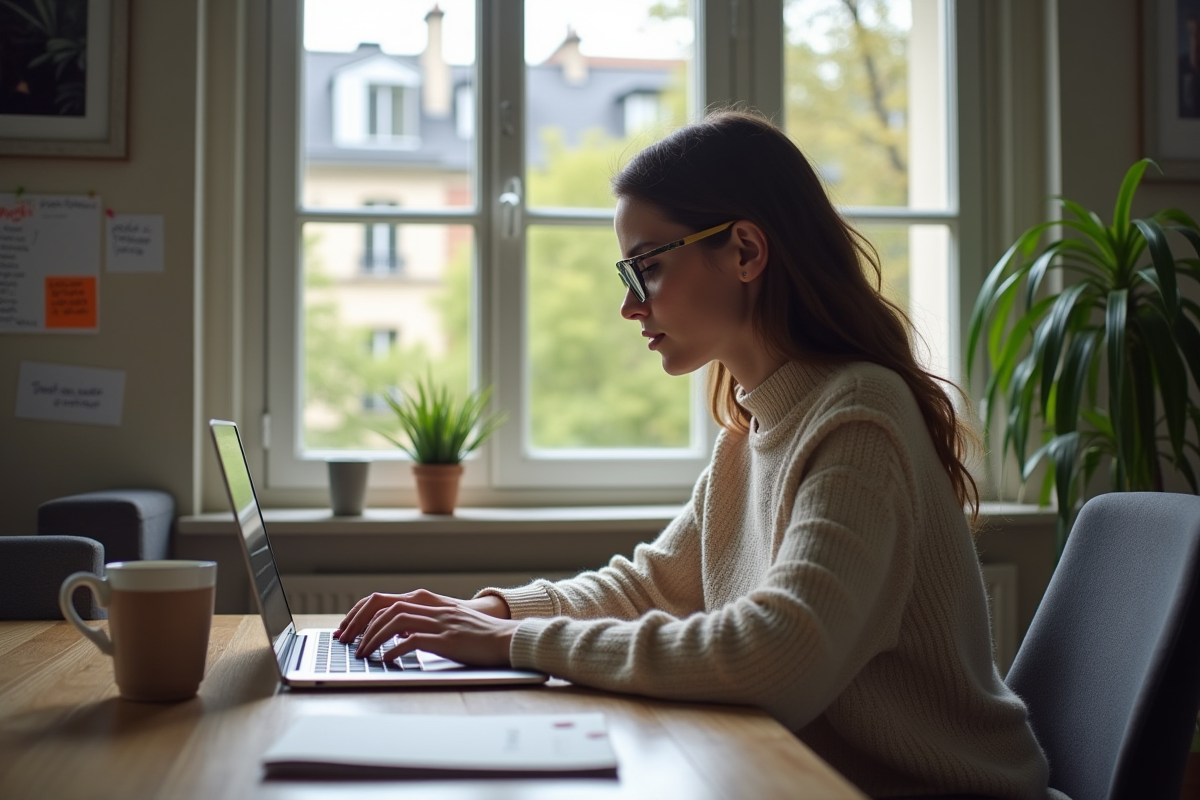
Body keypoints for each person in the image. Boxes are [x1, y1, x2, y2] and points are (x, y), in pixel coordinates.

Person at [335, 109, 1055, 799]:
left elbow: (777, 656)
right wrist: (489, 612)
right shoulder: (755, 423)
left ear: (745, 251)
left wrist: (515, 643)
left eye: (645, 267)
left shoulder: (860, 416)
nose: (630, 307)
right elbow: (652, 587)